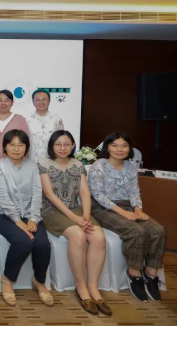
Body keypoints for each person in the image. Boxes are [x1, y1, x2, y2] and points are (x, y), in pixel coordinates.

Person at [88, 132, 166, 303]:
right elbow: (98, 195)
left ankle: (151, 275)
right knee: (135, 231)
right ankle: (134, 274)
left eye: (124, 145)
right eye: (114, 145)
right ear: (107, 147)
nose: (120, 149)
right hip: (102, 207)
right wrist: (124, 213)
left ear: (129, 148)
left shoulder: (130, 167)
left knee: (158, 230)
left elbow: (134, 192)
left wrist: (137, 209)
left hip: (127, 206)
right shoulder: (98, 166)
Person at [39, 130, 109, 316]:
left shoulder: (78, 164)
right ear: (52, 146)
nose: (62, 148)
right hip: (50, 211)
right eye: (58, 144)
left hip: (76, 210)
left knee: (99, 237)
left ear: (72, 146)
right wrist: (75, 218)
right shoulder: (43, 163)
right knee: (78, 235)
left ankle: (93, 287)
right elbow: (49, 194)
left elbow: (84, 193)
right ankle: (81, 287)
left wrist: (85, 216)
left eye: (66, 144)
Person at [0, 129, 53, 307]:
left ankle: (39, 281)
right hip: (3, 214)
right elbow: (2, 196)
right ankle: (7, 279)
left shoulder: (32, 166)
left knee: (42, 244)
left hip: (29, 215)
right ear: (5, 147)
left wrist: (33, 218)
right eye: (12, 145)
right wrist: (18, 221)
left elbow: (37, 193)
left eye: (21, 145)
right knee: (23, 242)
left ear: (26, 148)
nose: (16, 149)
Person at [0, 90, 31, 164]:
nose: (3, 103)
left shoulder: (19, 119)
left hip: (14, 162)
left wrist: (24, 163)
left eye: (7, 100)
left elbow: (26, 142)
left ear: (12, 102)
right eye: (0, 100)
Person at [26, 89, 64, 162]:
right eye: (37, 100)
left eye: (44, 99)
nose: (41, 102)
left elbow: (61, 140)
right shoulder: (26, 119)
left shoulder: (57, 119)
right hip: (31, 160)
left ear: (49, 101)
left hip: (51, 160)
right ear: (33, 102)